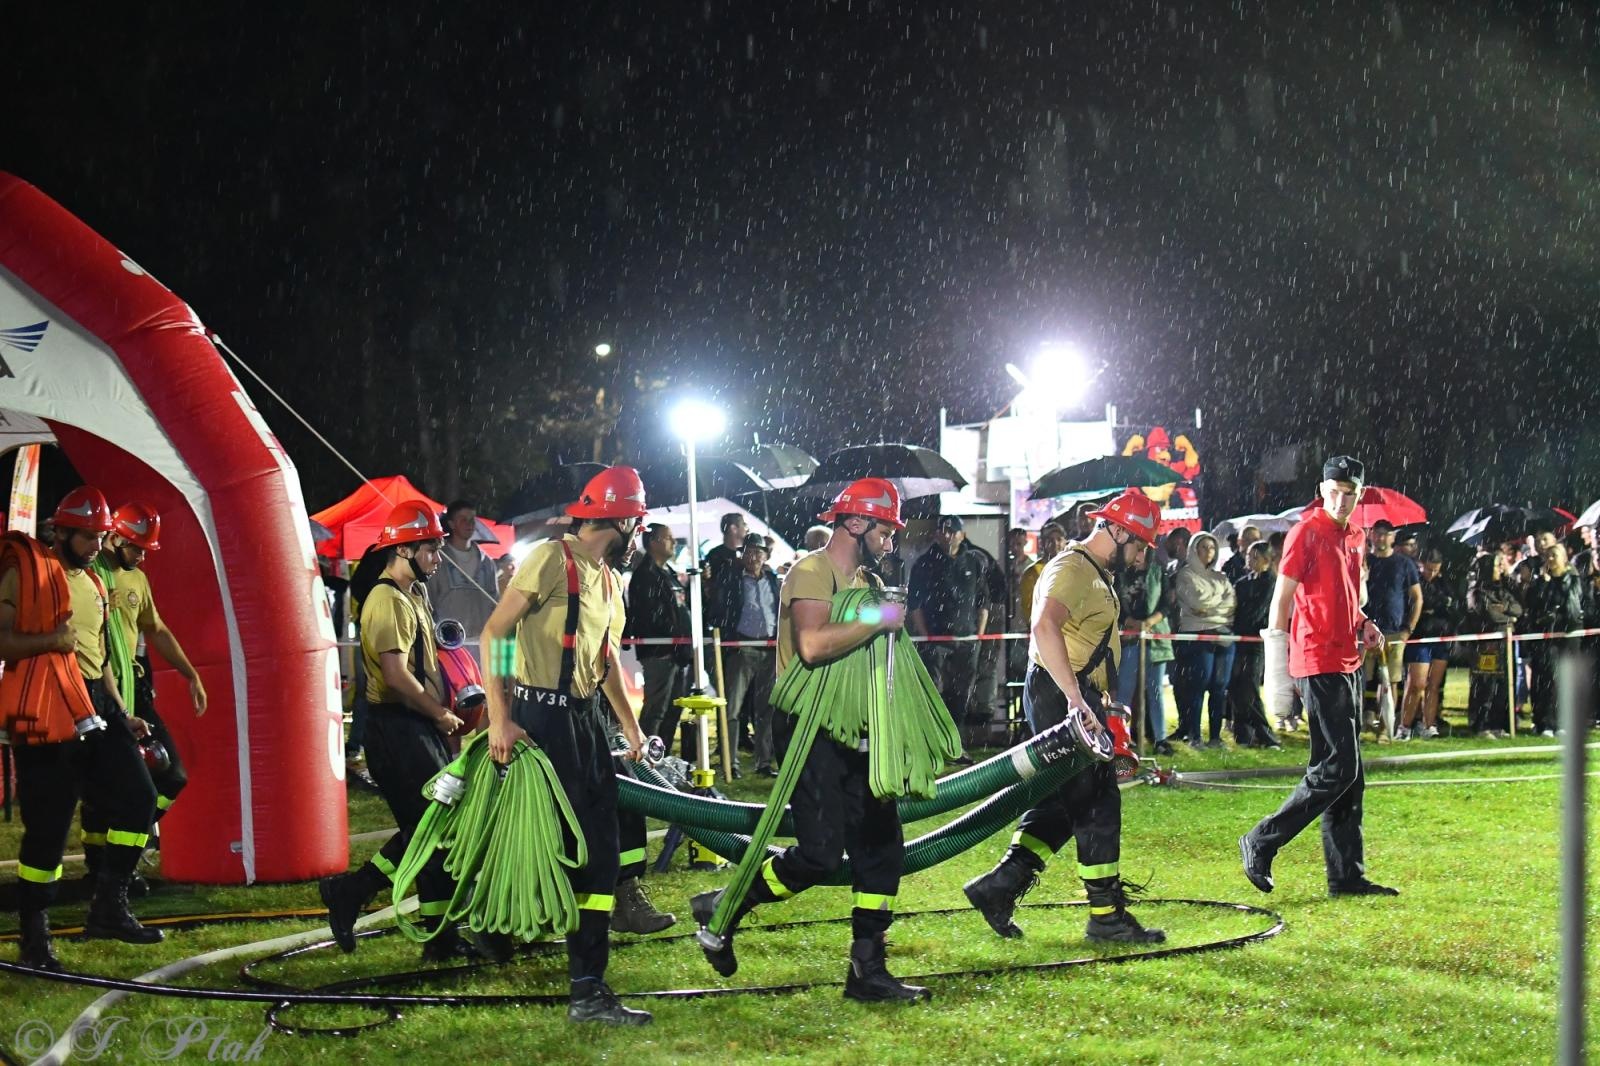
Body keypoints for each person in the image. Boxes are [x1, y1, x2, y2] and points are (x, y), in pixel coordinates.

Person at [691, 477, 931, 1002]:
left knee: (881, 848)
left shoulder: (867, 580)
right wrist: (877, 618)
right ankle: (727, 902)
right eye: (886, 529)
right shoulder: (810, 570)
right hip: (810, 724)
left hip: (857, 724)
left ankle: (867, 972)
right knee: (821, 855)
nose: (892, 541)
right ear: (855, 522)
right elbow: (814, 646)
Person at [481, 466, 652, 1026]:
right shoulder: (551, 559)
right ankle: (497, 927)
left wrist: (628, 727)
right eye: (639, 522)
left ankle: (586, 985)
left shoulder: (607, 580)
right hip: (538, 720)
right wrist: (501, 717)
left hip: (585, 725)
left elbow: (603, 664)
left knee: (600, 856)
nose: (641, 532)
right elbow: (496, 634)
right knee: (538, 843)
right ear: (622, 519)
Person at [964, 490, 1167, 946]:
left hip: (1074, 692)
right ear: (1115, 530)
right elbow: (1043, 626)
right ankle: (1105, 916)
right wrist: (1077, 700)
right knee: (1096, 800)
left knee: (1061, 801)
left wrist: (1102, 702)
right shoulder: (1072, 568)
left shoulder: (1093, 573)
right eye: (1137, 544)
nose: (1139, 557)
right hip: (1062, 692)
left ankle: (999, 887)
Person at [5, 488, 163, 971]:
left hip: (95, 702)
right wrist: (52, 640)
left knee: (140, 801)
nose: (98, 544)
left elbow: (101, 657)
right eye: (89, 536)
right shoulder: (25, 573)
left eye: (101, 536)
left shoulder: (95, 581)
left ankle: (108, 908)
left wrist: (121, 710)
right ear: (62, 531)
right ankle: (34, 937)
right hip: (47, 704)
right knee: (48, 831)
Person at [320, 502, 480, 963]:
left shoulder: (414, 595)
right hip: (397, 728)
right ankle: (355, 891)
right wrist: (440, 714)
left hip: (415, 725)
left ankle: (438, 937)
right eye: (430, 548)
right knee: (433, 825)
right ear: (404, 548)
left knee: (433, 828)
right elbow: (395, 676)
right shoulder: (387, 600)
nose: (438, 556)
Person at [1240, 456, 1398, 899]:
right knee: (1338, 767)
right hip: (1316, 660)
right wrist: (1278, 677)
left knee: (1349, 774)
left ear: (1359, 494)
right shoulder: (1305, 532)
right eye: (1335, 491)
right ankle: (1261, 840)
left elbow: (1348, 595)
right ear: (1322, 488)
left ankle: (1346, 878)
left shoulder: (1356, 535)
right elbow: (1281, 601)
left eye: (1350, 493)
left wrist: (1363, 621)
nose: (1342, 499)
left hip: (1348, 658)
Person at [81, 502, 208, 887]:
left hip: (135, 689)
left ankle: (126, 846)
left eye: (144, 549)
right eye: (135, 547)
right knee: (106, 789)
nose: (139, 555)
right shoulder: (91, 575)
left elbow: (157, 628)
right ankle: (106, 870)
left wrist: (191, 675)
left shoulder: (137, 579)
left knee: (173, 776)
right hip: (100, 693)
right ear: (115, 536)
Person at [909, 515, 989, 755]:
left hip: (967, 641)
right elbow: (915, 605)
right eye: (942, 530)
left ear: (961, 534)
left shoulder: (974, 562)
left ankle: (955, 745)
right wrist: (926, 638)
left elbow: (983, 602)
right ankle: (930, 744)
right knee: (931, 692)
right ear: (936, 534)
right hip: (935, 640)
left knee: (961, 695)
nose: (947, 534)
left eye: (952, 530)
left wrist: (979, 637)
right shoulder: (925, 563)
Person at [712, 532, 780, 777]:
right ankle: (730, 764)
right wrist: (731, 641)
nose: (753, 556)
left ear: (765, 555)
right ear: (743, 554)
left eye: (758, 552)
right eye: (749, 551)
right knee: (732, 708)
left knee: (766, 709)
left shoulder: (772, 580)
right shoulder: (731, 578)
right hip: (742, 648)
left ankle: (763, 762)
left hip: (769, 649)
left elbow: (779, 609)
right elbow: (719, 610)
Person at [624, 523, 693, 757]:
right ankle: (644, 756)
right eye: (669, 538)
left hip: (676, 652)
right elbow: (650, 616)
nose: (674, 542)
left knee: (672, 709)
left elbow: (680, 608)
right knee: (656, 709)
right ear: (654, 542)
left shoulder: (668, 573)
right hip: (660, 652)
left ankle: (661, 756)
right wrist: (671, 639)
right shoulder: (645, 576)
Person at [1172, 532, 1237, 748]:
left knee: (1219, 688)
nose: (1208, 552)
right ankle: (1194, 736)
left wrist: (1212, 608)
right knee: (1197, 687)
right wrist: (1218, 606)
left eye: (1211, 547)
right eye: (1203, 547)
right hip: (1197, 636)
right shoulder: (1185, 575)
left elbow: (1231, 604)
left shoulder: (1221, 577)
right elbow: (1196, 603)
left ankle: (1215, 737)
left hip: (1224, 637)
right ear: (1194, 549)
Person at [1114, 530, 1173, 754]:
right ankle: (1121, 736)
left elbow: (1166, 605)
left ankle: (1160, 739)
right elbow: (1116, 603)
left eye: (1143, 549)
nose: (1139, 554)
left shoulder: (1159, 573)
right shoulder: (1120, 575)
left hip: (1154, 638)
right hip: (1129, 638)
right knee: (1124, 690)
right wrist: (1130, 622)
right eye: (1136, 548)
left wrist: (1148, 623)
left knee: (1155, 689)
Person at [1361, 520, 1421, 740]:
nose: (1381, 538)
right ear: (1371, 536)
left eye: (1386, 534)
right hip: (1365, 631)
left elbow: (1417, 598)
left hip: (1394, 632)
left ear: (1393, 537)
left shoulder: (1404, 564)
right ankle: (1361, 723)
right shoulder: (1363, 561)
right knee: (1361, 679)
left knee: (1390, 681)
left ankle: (1386, 728)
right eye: (1377, 534)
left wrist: (1408, 629)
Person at [1522, 541, 1586, 737]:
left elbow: (1572, 609)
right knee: (1545, 679)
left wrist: (1555, 613)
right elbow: (1534, 607)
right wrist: (1545, 584)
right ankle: (1544, 721)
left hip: (1566, 638)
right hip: (1546, 637)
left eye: (1554, 555)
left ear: (1563, 558)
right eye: (1548, 556)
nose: (1550, 559)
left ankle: (1561, 721)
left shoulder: (1572, 580)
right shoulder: (1542, 581)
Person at [1396, 548, 1460, 740]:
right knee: (1416, 684)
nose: (1431, 574)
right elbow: (1419, 605)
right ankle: (1404, 726)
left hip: (1441, 638)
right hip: (1420, 639)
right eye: (1428, 569)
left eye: (1435, 570)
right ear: (1421, 565)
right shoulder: (1415, 582)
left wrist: (1438, 605)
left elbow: (1453, 607)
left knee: (1433, 685)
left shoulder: (1445, 584)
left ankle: (1429, 724)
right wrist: (1436, 605)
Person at [429, 500, 502, 669]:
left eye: (472, 519)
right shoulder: (438, 559)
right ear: (451, 524)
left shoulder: (487, 563)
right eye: (462, 519)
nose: (469, 524)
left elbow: (494, 603)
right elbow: (428, 602)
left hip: (482, 647)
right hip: (449, 647)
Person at [1228, 542, 1281, 748]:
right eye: (1248, 556)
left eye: (1254, 557)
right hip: (1240, 639)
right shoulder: (1242, 582)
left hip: (1256, 641)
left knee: (1249, 686)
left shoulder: (1270, 583)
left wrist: (1241, 622)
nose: (1249, 560)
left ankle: (1265, 734)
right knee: (1236, 686)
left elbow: (1257, 611)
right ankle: (1243, 734)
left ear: (1266, 560)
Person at [1465, 552, 1521, 736]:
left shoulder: (1502, 589)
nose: (1500, 569)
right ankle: (1482, 724)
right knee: (1486, 684)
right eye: (1497, 566)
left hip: (1505, 643)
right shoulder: (1476, 591)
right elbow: (1489, 615)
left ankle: (1498, 723)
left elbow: (1518, 609)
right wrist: (1508, 617)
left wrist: (1505, 610)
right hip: (1486, 646)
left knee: (1503, 685)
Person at [702, 512, 747, 593]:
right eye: (744, 524)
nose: (747, 529)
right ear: (733, 528)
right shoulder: (714, 556)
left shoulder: (746, 554)